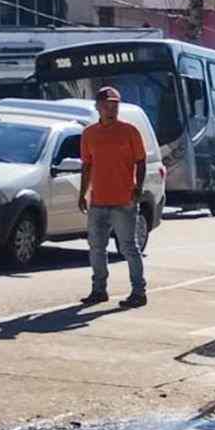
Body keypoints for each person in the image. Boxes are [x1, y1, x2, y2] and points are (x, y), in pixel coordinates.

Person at [78, 86, 147, 309]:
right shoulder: (89, 134)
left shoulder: (130, 131)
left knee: (128, 247)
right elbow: (87, 165)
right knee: (96, 247)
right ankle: (99, 290)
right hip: (98, 200)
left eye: (115, 105)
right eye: (107, 105)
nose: (111, 109)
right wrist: (83, 194)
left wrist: (138, 188)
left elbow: (141, 160)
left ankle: (139, 292)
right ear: (98, 107)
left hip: (124, 199)